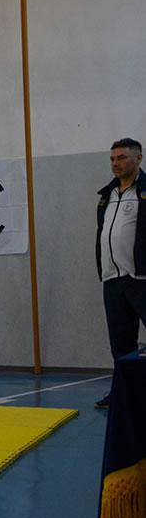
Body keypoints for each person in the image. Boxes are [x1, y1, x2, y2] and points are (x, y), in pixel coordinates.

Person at [95, 137, 146, 410]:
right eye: (113, 159)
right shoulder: (107, 195)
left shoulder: (144, 190)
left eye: (122, 158)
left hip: (141, 279)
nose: (116, 163)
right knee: (121, 345)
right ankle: (124, 395)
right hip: (112, 280)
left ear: (138, 158)